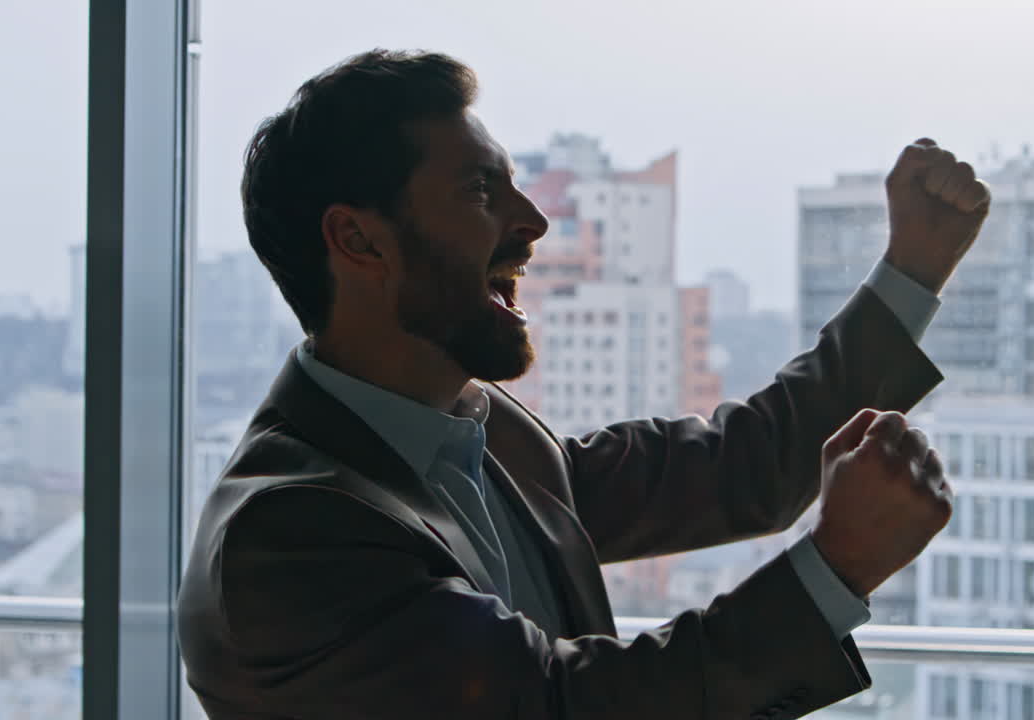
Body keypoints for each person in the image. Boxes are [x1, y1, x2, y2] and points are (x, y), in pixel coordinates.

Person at [177, 49, 990, 719]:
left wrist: (912, 271)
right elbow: (566, 707)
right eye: (480, 191)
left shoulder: (484, 431)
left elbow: (748, 466)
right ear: (358, 239)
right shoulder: (287, 534)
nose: (532, 222)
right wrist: (834, 568)